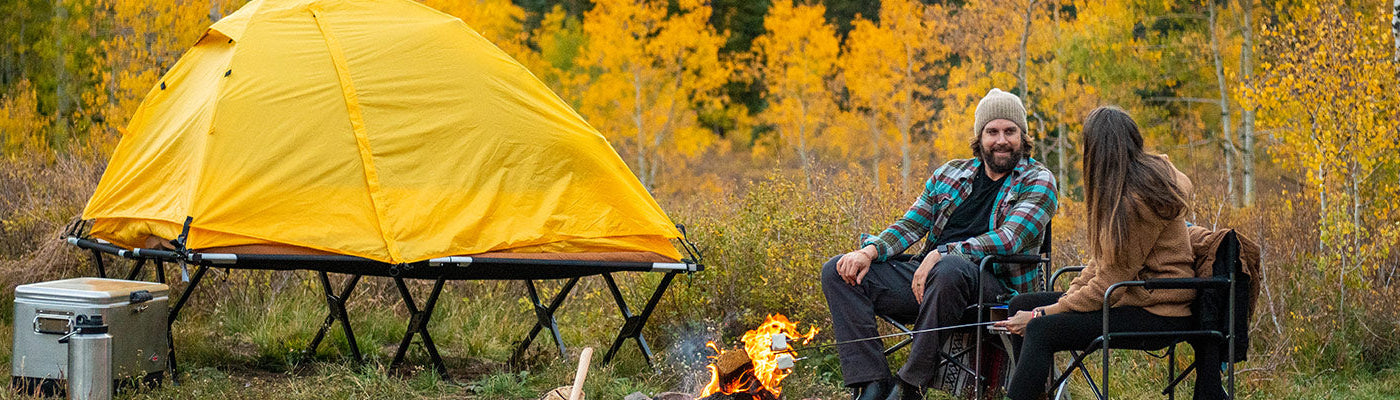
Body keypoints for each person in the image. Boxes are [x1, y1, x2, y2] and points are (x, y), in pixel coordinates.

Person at [821, 88, 1058, 400]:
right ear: (980, 137)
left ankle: (910, 386)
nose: (1001, 140)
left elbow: (1009, 239)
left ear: (1022, 136)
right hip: (930, 282)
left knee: (950, 268)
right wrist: (869, 251)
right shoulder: (950, 174)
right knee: (838, 271)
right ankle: (873, 384)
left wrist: (943, 253)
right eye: (992, 132)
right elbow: (911, 224)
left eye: (1010, 131)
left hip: (994, 289)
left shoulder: (1038, 180)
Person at [995, 106, 1224, 400]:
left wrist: (1044, 313)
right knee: (1020, 304)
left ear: (1097, 153)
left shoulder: (1139, 200)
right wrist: (1065, 299)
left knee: (1040, 329)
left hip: (1160, 310)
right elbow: (1104, 261)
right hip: (1135, 295)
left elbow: (1109, 283)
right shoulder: (1133, 185)